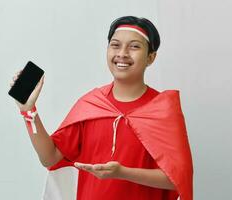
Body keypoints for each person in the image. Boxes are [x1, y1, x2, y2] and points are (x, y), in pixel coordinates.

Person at [10, 16, 193, 200]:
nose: (122, 53)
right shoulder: (91, 105)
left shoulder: (162, 110)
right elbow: (49, 157)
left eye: (134, 46)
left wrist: (122, 173)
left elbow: (177, 178)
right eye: (115, 45)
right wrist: (29, 110)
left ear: (150, 57)